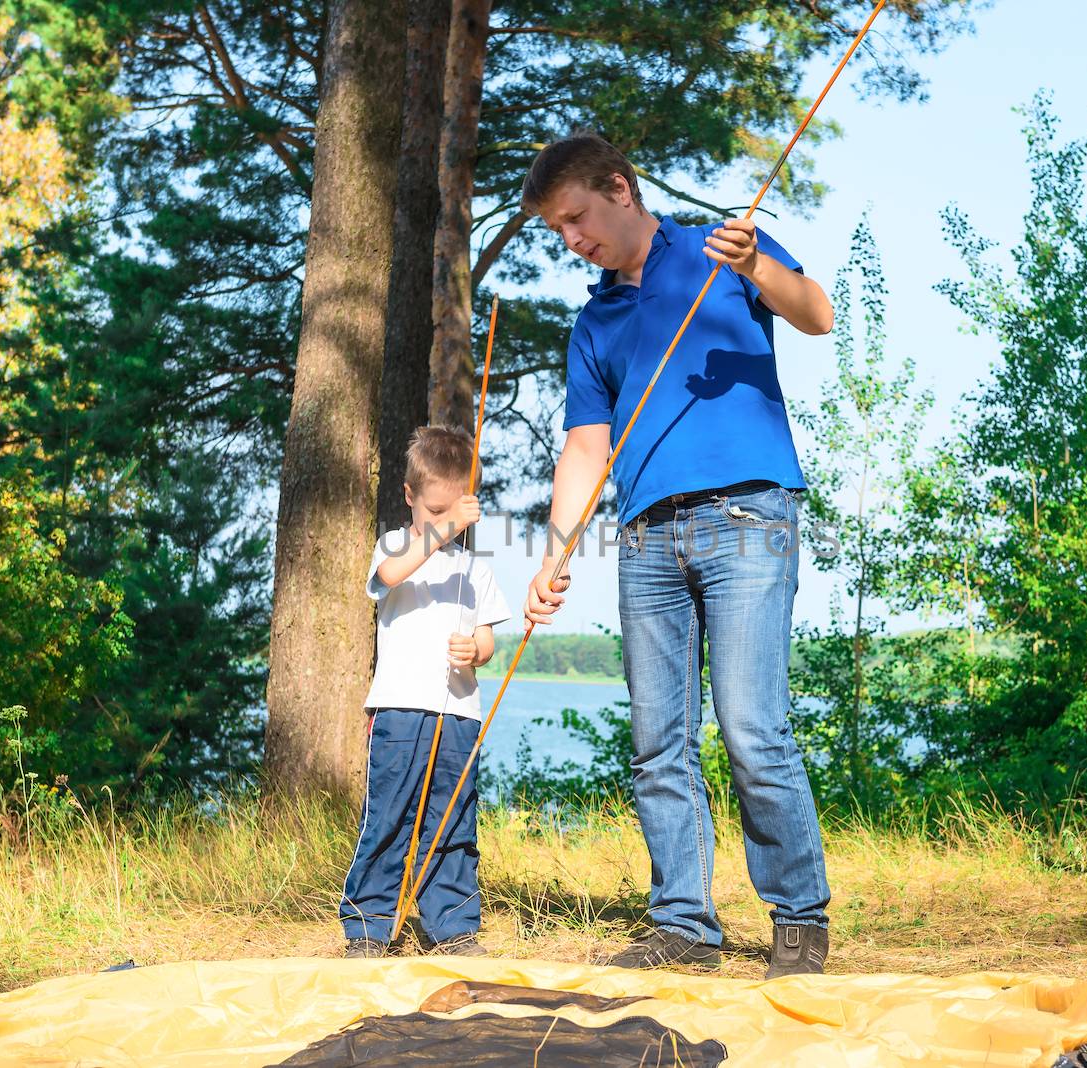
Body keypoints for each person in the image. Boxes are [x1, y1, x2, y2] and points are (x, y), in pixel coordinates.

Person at [520, 134, 835, 978]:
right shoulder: (595, 322)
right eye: (558, 230)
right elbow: (586, 448)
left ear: (620, 188)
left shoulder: (720, 247)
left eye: (576, 217)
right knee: (658, 741)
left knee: (751, 730)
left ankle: (799, 922)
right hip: (644, 538)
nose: (571, 239)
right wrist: (554, 553)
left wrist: (760, 268)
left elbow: (816, 312)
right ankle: (684, 927)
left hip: (748, 517)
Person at [340, 425, 510, 958]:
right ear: (409, 496)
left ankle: (453, 928)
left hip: (459, 714)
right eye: (432, 511)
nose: (442, 523)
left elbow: (487, 635)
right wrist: (440, 530)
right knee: (387, 816)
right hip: (399, 710)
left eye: (452, 512)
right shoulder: (394, 546)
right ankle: (367, 928)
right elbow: (391, 574)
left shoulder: (473, 570)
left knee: (453, 820)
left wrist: (476, 650)